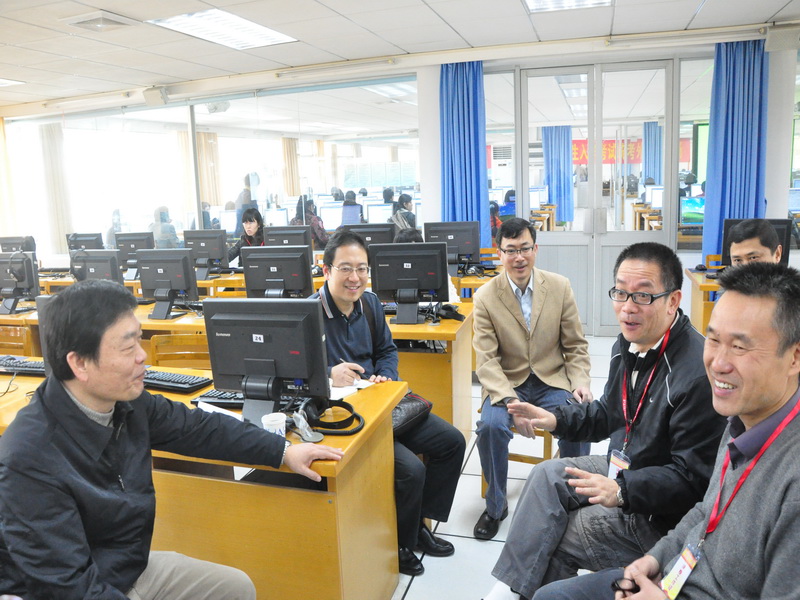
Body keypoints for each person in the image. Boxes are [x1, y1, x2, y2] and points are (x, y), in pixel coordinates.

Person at [0, 279, 343, 599]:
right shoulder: (28, 459)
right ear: (79, 364)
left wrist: (282, 450)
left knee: (236, 588)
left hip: (124, 567)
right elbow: (68, 587)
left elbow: (199, 428)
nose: (142, 356)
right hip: (72, 588)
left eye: (139, 340)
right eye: (127, 347)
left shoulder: (127, 403)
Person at [532, 262, 800, 600]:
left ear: (794, 357)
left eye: (740, 347)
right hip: (675, 570)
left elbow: (686, 480)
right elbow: (705, 512)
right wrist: (657, 558)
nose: (718, 363)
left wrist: (624, 491)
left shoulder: (791, 478)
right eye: (714, 339)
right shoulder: (740, 422)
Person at [483, 242, 727, 600]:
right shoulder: (627, 343)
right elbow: (609, 413)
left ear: (673, 301)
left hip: (656, 517)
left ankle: (526, 591)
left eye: (642, 296)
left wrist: (623, 490)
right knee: (546, 475)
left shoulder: (694, 375)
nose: (627, 308)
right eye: (621, 293)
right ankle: (515, 588)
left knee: (557, 533)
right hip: (627, 466)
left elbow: (692, 482)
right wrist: (554, 419)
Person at [310, 230, 466, 577]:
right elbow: (298, 374)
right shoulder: (309, 313)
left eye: (362, 269)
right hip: (343, 417)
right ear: (326, 270)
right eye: (346, 268)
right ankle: (400, 544)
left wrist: (385, 375)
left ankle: (420, 525)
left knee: (452, 442)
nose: (355, 278)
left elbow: (387, 351)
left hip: (384, 406)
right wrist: (329, 374)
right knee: (411, 470)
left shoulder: (370, 304)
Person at [473, 217, 592, 541]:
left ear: (535, 249)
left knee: (578, 417)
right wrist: (512, 403)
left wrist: (580, 382)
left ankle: (572, 499)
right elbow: (486, 360)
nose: (519, 257)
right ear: (500, 253)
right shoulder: (485, 296)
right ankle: (495, 506)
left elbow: (575, 345)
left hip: (551, 379)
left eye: (525, 248)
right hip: (507, 383)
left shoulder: (559, 286)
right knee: (491, 427)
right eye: (511, 250)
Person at [393, 227, 459, 303]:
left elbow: (453, 297)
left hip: (432, 307)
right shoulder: (390, 267)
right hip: (398, 307)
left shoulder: (435, 264)